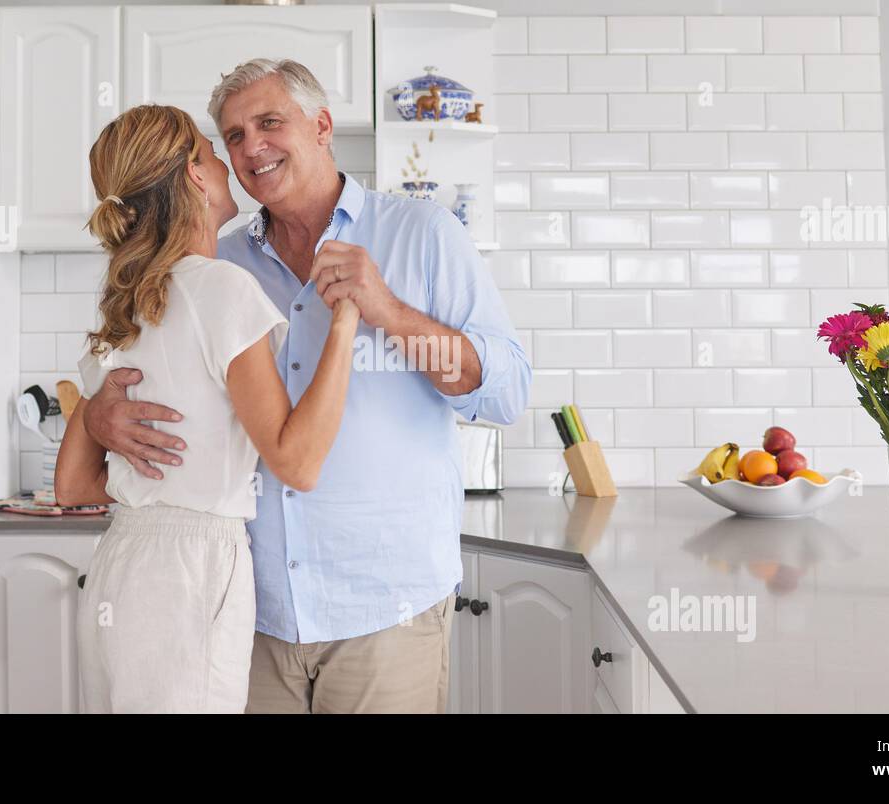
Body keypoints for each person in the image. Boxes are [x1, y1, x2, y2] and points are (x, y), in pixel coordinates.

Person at [81, 59, 531, 713]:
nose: (250, 147)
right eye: (232, 136)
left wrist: (390, 312)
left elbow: (507, 391)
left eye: (269, 122)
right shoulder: (216, 264)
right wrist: (98, 420)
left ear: (322, 125)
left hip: (384, 611)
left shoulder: (422, 234)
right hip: (249, 614)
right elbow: (135, 374)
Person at [53, 103, 361, 713]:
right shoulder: (221, 289)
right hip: (191, 573)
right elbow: (296, 461)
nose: (229, 160)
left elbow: (72, 486)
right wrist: (346, 325)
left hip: (121, 564)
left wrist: (94, 421)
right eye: (213, 149)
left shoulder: (129, 301)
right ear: (196, 175)